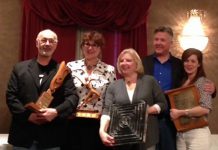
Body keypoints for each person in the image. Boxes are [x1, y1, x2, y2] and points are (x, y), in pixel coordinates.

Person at [142, 26, 216, 150]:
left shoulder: (179, 64)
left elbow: (195, 83)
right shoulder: (143, 62)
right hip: (148, 118)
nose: (158, 43)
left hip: (171, 121)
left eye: (162, 40)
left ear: (170, 43)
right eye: (156, 39)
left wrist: (213, 89)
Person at [6, 29, 79, 150]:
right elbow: (11, 96)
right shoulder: (19, 68)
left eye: (51, 41)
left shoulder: (63, 71)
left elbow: (73, 97)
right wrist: (27, 116)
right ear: (37, 43)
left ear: (56, 45)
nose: (47, 43)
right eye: (44, 40)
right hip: (23, 135)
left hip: (51, 137)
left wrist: (55, 112)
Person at [99, 48, 167, 150]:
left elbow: (163, 104)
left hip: (147, 139)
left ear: (137, 63)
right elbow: (107, 110)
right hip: (122, 140)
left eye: (128, 60)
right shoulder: (113, 86)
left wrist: (149, 110)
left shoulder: (149, 81)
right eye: (121, 61)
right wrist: (102, 131)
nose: (124, 63)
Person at [66, 30, 116, 150]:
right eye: (87, 44)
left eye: (95, 45)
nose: (90, 48)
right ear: (82, 46)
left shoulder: (109, 70)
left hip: (98, 124)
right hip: (73, 121)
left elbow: (111, 100)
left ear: (100, 48)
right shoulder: (70, 67)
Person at [170, 48, 213, 150]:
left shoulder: (203, 82)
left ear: (199, 64)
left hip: (198, 133)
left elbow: (205, 108)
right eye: (186, 60)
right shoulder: (181, 82)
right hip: (181, 134)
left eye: (193, 61)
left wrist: (180, 113)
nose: (189, 64)